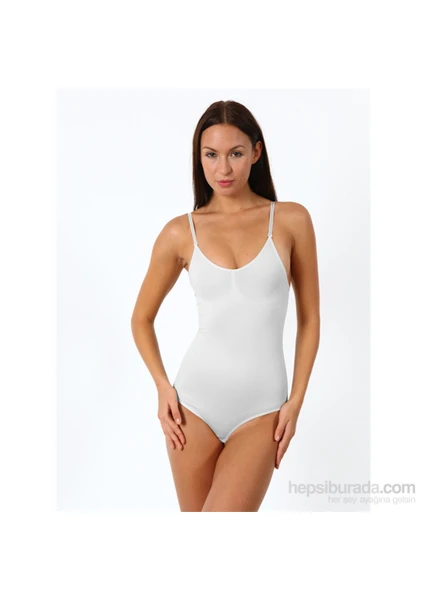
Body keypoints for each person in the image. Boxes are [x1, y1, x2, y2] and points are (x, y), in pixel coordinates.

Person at [131, 100, 320, 512]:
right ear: (198, 157)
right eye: (211, 155)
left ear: (256, 152)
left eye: (235, 153)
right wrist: (162, 386)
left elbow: (309, 319)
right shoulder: (181, 232)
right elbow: (141, 318)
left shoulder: (291, 221)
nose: (223, 168)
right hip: (191, 406)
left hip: (262, 409)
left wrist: (296, 400)